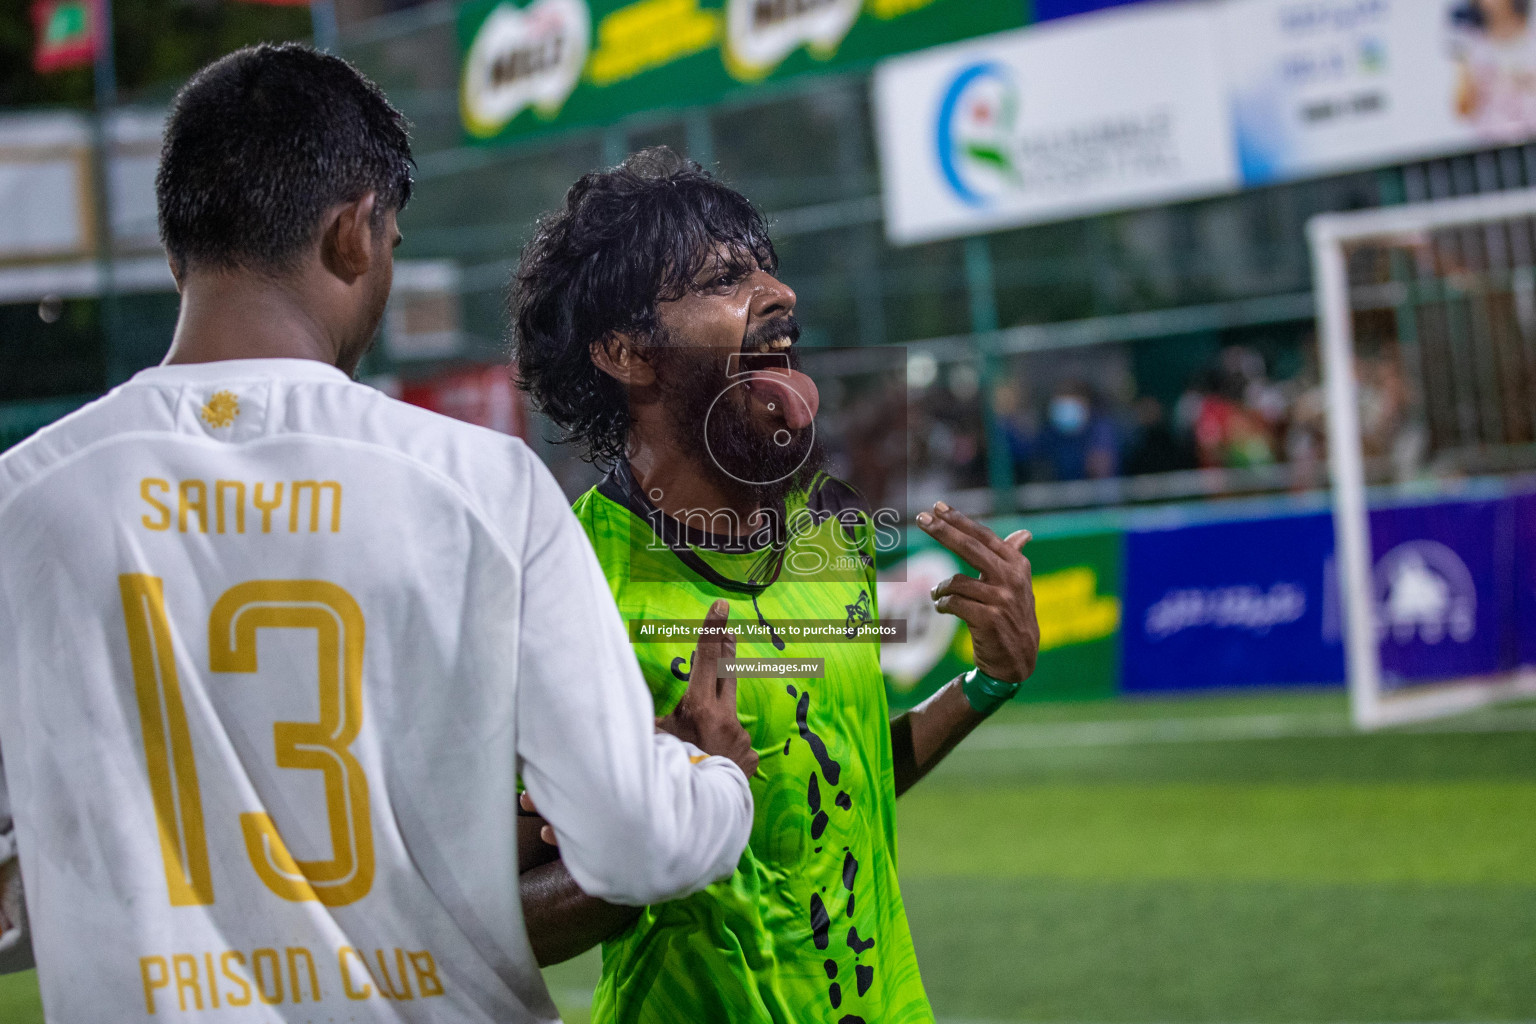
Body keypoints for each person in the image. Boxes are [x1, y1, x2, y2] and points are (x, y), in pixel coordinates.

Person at [0, 47, 755, 1022]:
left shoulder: (24, 504)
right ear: (356, 231)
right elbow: (632, 839)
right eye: (391, 237)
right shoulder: (482, 487)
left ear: (176, 239)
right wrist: (714, 780)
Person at [511, 148, 1041, 1024]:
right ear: (626, 351)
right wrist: (674, 824)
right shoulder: (569, 583)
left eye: (768, 269)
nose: (778, 294)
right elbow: (512, 916)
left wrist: (986, 683)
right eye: (725, 278)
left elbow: (843, 776)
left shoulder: (831, 528)